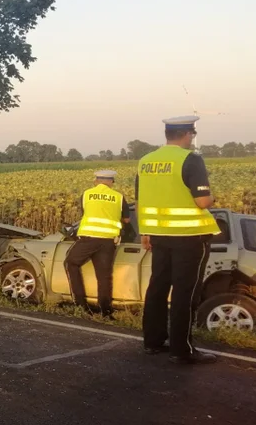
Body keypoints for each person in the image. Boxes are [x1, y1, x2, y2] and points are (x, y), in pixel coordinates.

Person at [136, 116, 220, 365]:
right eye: (192, 135)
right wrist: (213, 197)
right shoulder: (190, 158)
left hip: (158, 235)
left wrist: (145, 231)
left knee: (158, 287)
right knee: (186, 292)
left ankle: (152, 342)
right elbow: (202, 201)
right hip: (189, 237)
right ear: (187, 134)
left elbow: (140, 201)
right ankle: (181, 349)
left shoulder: (145, 161)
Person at [64, 169, 129, 318]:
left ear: (97, 181)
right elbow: (126, 220)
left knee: (71, 263)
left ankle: (81, 304)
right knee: (104, 276)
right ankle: (105, 311)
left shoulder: (87, 194)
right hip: (108, 241)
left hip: (89, 239)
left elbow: (86, 213)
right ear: (111, 182)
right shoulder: (119, 197)